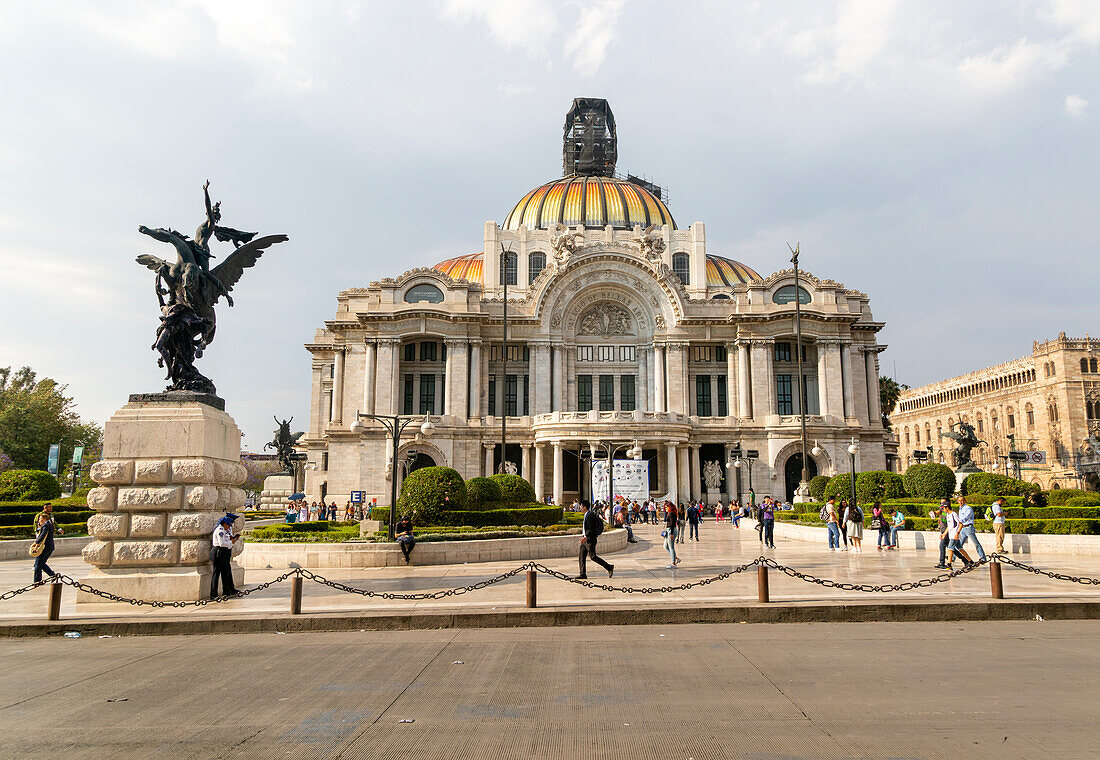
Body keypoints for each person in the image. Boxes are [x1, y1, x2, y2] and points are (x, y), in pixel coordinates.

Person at [578, 502, 614, 579]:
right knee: (581, 556)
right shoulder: (587, 514)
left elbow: (591, 528)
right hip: (586, 539)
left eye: (581, 506)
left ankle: (609, 567)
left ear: (584, 507)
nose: (580, 508)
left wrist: (586, 537)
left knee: (593, 556)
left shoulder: (589, 515)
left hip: (589, 539)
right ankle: (582, 574)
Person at [210, 514, 240, 598]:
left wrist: (232, 539)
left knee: (225, 572)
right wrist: (232, 542)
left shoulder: (225, 530)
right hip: (218, 552)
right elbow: (222, 543)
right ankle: (213, 594)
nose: (229, 527)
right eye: (228, 525)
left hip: (223, 552)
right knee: (216, 574)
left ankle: (227, 591)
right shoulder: (220, 530)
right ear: (225, 524)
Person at [32, 504, 63, 583]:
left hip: (45, 547)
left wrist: (37, 542)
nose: (39, 520)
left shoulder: (45, 525)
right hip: (50, 547)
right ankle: (53, 576)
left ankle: (37, 581)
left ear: (44, 519)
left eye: (40, 519)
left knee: (38, 565)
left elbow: (43, 535)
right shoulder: (48, 524)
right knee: (42, 564)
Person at [942, 500, 974, 569]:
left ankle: (949, 564)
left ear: (947, 507)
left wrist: (957, 533)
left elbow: (960, 523)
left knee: (950, 548)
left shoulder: (954, 514)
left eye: (943, 508)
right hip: (951, 535)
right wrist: (944, 534)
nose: (943, 510)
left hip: (954, 535)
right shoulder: (948, 515)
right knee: (960, 549)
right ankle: (970, 562)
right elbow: (949, 526)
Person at [663, 502, 680, 568]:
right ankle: (676, 558)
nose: (665, 508)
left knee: (671, 547)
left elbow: (673, 524)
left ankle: (673, 563)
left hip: (671, 530)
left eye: (666, 507)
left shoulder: (672, 514)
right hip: (668, 530)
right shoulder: (669, 513)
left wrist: (672, 534)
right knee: (665, 546)